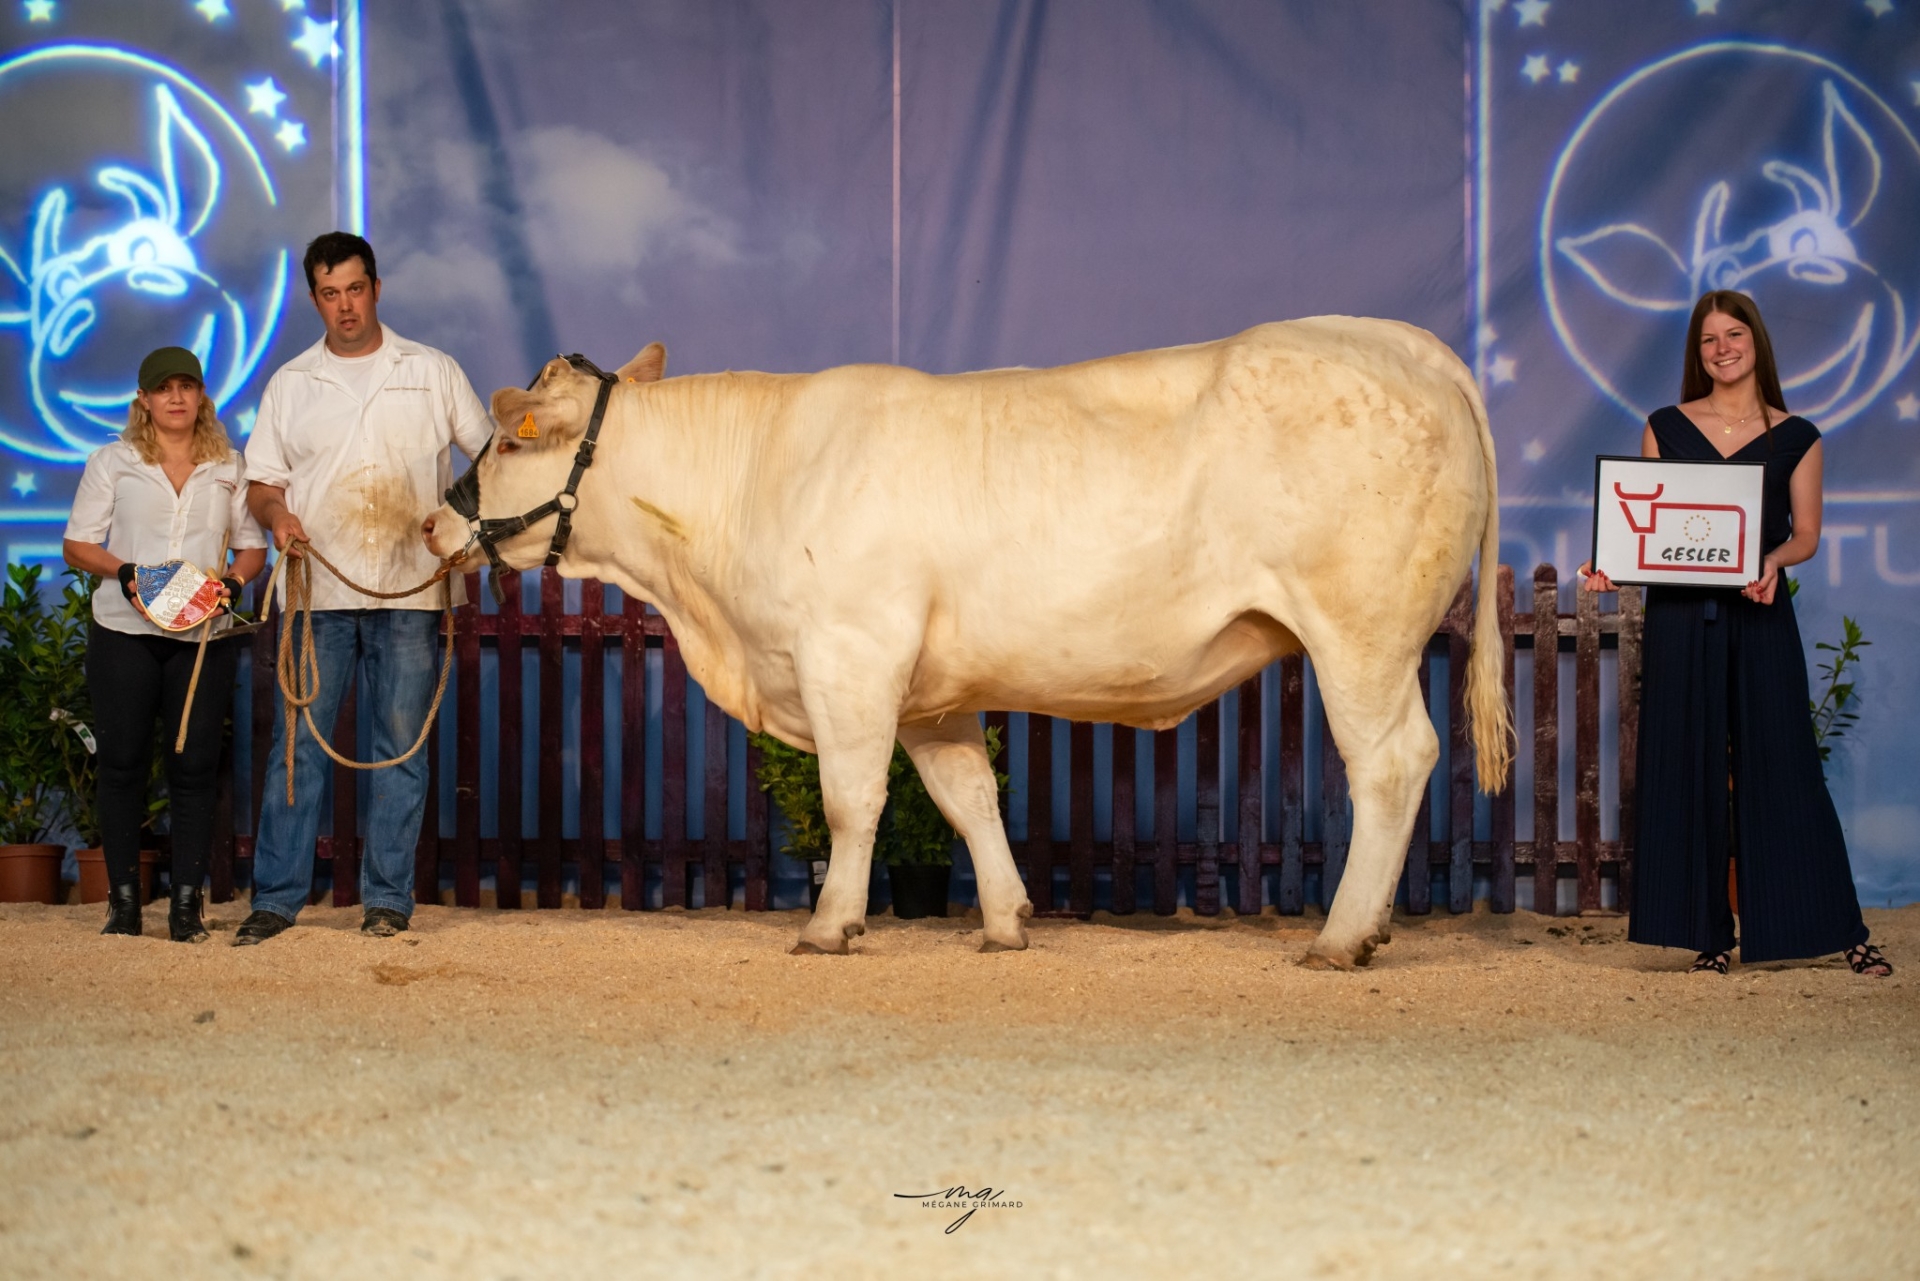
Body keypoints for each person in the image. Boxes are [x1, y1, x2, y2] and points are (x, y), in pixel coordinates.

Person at [1581, 290, 1890, 977]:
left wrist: (1774, 562)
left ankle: (1840, 928)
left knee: (1785, 764)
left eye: (1733, 333)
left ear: (1756, 342)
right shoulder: (1664, 425)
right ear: (1699, 354)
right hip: (1680, 618)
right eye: (1708, 339)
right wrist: (1611, 565)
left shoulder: (1797, 436)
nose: (1721, 347)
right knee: (1682, 765)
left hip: (1759, 612)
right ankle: (1708, 939)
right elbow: (1645, 529)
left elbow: (1804, 534)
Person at [235, 232, 493, 945]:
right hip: (318, 588)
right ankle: (278, 898)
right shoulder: (292, 382)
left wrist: (462, 524)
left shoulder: (433, 370)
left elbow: (494, 454)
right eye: (329, 292)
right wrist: (277, 515)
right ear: (314, 298)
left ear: (377, 288)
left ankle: (387, 898)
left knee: (400, 749)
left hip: (413, 590)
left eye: (355, 288)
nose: (344, 305)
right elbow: (261, 483)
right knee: (297, 749)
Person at [62, 347, 270, 942]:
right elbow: (78, 544)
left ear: (201, 395)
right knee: (122, 765)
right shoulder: (114, 461)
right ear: (144, 400)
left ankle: (185, 907)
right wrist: (129, 574)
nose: (176, 397)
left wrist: (232, 582)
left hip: (202, 636)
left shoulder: (230, 465)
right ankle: (123, 905)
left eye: (187, 386)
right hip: (123, 632)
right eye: (164, 388)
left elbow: (251, 549)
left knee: (195, 766)